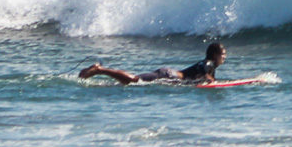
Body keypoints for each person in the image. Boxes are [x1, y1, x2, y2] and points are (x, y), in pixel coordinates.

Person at [80, 42, 226, 85]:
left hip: (170, 74)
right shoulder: (209, 64)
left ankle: (101, 73)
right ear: (214, 55)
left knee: (132, 81)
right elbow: (202, 67)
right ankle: (99, 70)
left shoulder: (211, 68)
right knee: (133, 80)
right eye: (223, 54)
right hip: (171, 76)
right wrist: (207, 76)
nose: (224, 57)